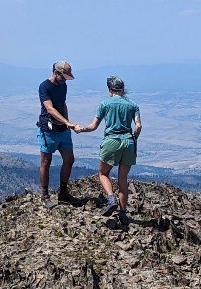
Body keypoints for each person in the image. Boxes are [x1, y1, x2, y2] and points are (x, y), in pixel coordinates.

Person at [84, 74, 141, 227]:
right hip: (128, 143)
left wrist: (79, 129)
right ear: (122, 90)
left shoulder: (104, 104)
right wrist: (134, 137)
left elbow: (93, 126)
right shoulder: (133, 105)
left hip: (112, 141)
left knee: (103, 173)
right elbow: (139, 126)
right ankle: (123, 213)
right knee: (123, 179)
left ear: (110, 89)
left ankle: (110, 199)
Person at [37, 61, 90, 205]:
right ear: (56, 72)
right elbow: (50, 109)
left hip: (63, 129)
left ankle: (63, 192)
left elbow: (62, 104)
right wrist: (67, 123)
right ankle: (44, 195)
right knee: (46, 161)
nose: (65, 80)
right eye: (64, 76)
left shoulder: (63, 85)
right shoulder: (44, 86)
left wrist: (67, 123)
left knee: (69, 159)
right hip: (48, 129)